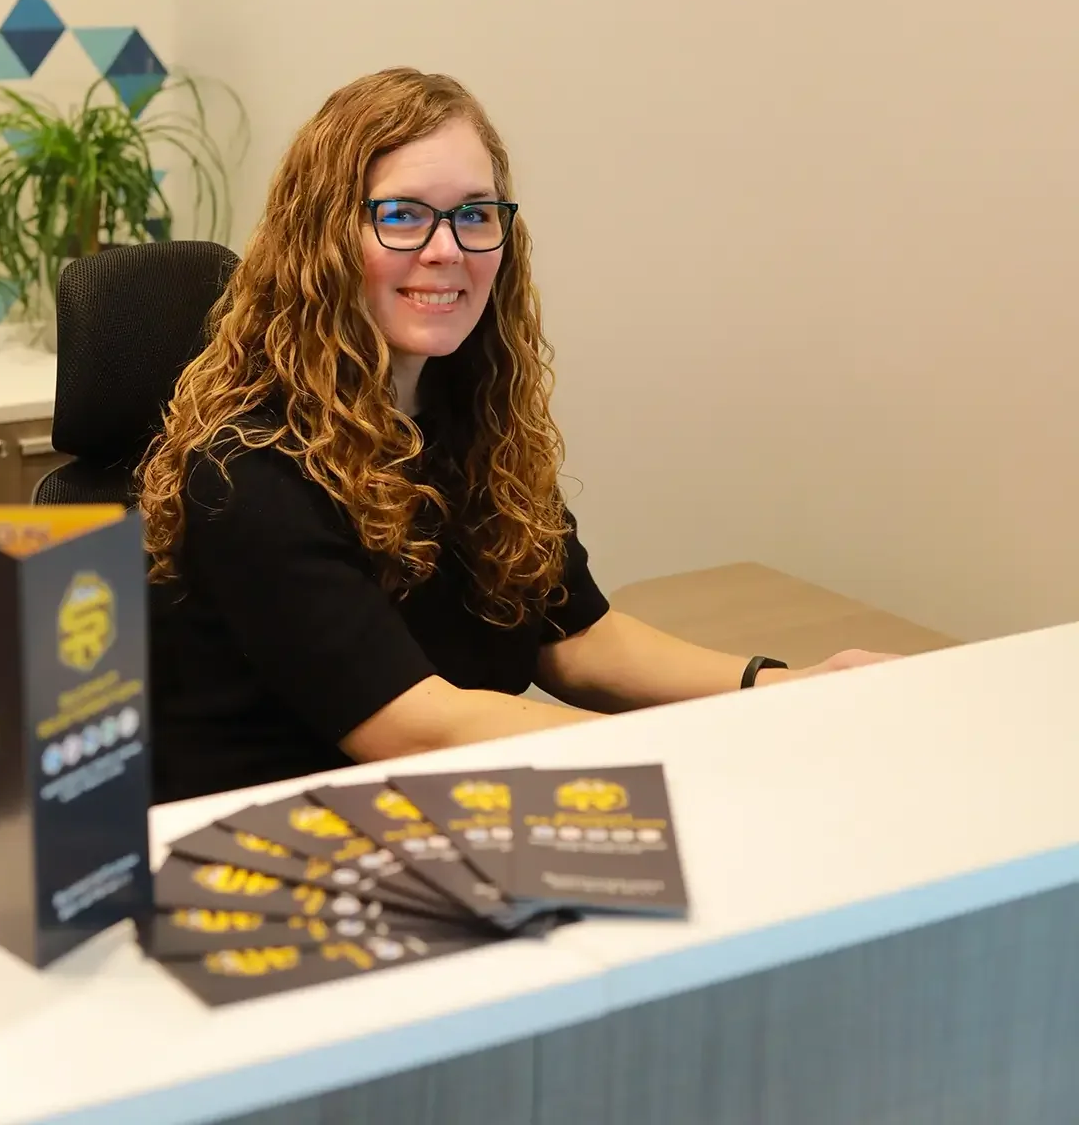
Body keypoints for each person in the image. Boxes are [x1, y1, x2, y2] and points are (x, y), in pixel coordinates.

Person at [136, 66, 895, 804]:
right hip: (277, 845)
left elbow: (574, 638)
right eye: (401, 215)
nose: (447, 248)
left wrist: (785, 688)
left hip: (439, 814)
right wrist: (712, 754)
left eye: (474, 215)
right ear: (322, 240)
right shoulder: (248, 467)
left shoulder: (469, 421)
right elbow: (417, 730)